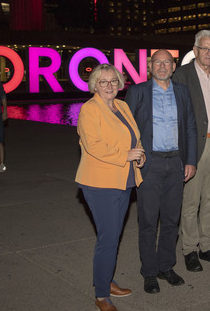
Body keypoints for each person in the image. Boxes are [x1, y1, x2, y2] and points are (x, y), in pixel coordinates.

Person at [125, 49, 198, 294]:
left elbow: (190, 126)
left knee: (171, 219)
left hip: (176, 161)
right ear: (150, 66)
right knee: (147, 221)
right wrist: (133, 154)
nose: (163, 66)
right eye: (158, 62)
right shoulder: (137, 92)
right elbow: (127, 128)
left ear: (174, 66)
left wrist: (191, 160)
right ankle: (149, 272)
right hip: (150, 163)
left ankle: (166, 266)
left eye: (167, 62)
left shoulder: (182, 92)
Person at [75, 64, 145, 311]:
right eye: (103, 82)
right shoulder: (89, 109)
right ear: (94, 85)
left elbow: (135, 138)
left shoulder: (123, 106)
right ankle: (101, 295)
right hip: (99, 183)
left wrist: (140, 155)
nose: (109, 86)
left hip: (123, 179)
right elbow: (94, 145)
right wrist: (125, 154)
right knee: (108, 238)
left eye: (113, 81)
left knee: (113, 236)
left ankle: (106, 280)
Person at [171, 29, 210, 272]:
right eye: (204, 48)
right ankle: (189, 249)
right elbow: (176, 116)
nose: (208, 53)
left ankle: (208, 247)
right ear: (195, 50)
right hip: (195, 145)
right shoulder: (182, 75)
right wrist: (183, 152)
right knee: (191, 202)